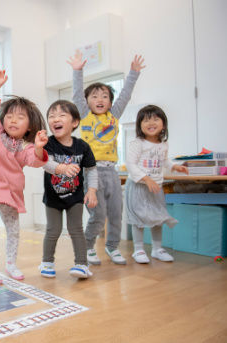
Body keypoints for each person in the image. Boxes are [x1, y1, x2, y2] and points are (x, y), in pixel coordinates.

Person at [68, 50, 146, 265]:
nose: (100, 99)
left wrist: (133, 74)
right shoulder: (85, 116)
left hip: (112, 171)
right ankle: (88, 246)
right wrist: (77, 71)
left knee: (116, 212)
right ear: (87, 102)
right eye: (94, 96)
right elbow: (76, 94)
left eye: (104, 96)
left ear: (110, 103)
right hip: (90, 173)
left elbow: (125, 94)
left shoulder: (113, 116)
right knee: (97, 214)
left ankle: (112, 247)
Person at [0, 70, 48, 284]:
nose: (13, 120)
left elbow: (35, 161)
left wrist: (40, 147)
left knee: (13, 230)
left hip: (10, 193)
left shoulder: (27, 146)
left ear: (30, 126)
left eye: (20, 117)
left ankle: (11, 264)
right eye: (10, 115)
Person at [39, 100, 98, 279]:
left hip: (75, 197)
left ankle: (82, 264)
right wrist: (62, 169)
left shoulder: (82, 146)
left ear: (74, 122)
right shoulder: (48, 143)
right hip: (53, 197)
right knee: (53, 230)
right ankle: (47, 262)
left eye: (61, 115)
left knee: (76, 229)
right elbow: (45, 163)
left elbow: (92, 169)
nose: (55, 119)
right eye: (51, 116)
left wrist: (92, 190)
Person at [125, 105, 188, 263]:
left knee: (158, 217)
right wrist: (146, 179)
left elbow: (164, 160)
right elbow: (131, 164)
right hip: (139, 186)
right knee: (138, 218)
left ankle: (157, 249)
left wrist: (174, 166)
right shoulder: (137, 143)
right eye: (146, 120)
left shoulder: (163, 144)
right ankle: (138, 250)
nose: (150, 123)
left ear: (163, 125)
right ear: (140, 125)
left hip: (156, 186)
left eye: (155, 119)